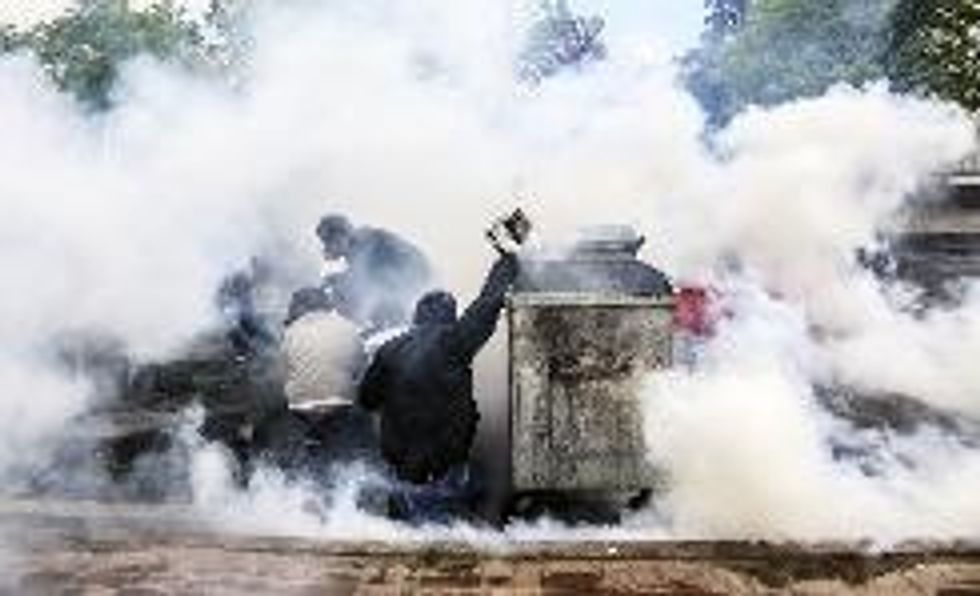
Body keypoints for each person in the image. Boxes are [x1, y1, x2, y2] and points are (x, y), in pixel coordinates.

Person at [358, 252, 519, 520]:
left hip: (402, 464)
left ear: (416, 317)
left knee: (405, 532)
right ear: (450, 318)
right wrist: (506, 265)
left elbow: (366, 399)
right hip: (444, 462)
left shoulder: (390, 349)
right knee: (443, 529)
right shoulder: (453, 342)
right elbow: (486, 307)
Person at [252, 287, 375, 480]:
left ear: (298, 309)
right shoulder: (348, 327)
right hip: (341, 406)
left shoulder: (291, 332)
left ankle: (261, 472)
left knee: (269, 418)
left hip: (300, 409)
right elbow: (362, 371)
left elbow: (281, 375)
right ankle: (365, 471)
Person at [316, 214, 433, 330]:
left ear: (341, 236)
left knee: (370, 296)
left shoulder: (366, 242)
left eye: (328, 242)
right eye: (325, 243)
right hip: (405, 276)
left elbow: (362, 279)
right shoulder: (358, 244)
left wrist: (337, 283)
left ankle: (392, 324)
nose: (327, 248)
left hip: (410, 275)